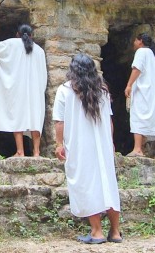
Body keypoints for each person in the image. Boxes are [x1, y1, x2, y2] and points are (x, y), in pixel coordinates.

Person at [54, 54, 122, 245]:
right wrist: (110, 142)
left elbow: (60, 121)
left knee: (86, 183)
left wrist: (59, 144)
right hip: (102, 144)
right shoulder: (103, 91)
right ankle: (115, 232)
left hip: (79, 145)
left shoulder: (65, 90)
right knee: (108, 183)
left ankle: (97, 231)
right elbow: (109, 121)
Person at [0, 21, 47, 157]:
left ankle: (20, 151)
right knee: (35, 119)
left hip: (17, 88)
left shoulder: (12, 43)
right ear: (31, 35)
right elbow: (43, 73)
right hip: (34, 90)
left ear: (17, 34)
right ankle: (36, 152)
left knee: (17, 116)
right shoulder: (39, 50)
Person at [124, 32, 155, 157]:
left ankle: (138, 149)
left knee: (137, 116)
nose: (134, 43)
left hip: (143, 92)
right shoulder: (152, 55)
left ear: (140, 41)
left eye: (135, 40)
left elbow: (137, 69)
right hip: (154, 92)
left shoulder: (141, 52)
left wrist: (129, 85)